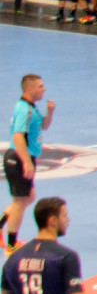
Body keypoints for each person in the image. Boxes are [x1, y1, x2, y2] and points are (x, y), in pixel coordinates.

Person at [6, 76, 54, 252]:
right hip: (19, 158)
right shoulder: (24, 109)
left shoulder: (31, 108)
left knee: (28, 197)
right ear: (30, 89)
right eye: (41, 86)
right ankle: (11, 245)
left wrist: (50, 112)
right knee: (20, 201)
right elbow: (17, 136)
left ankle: (3, 223)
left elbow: (44, 126)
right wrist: (26, 162)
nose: (44, 89)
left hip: (24, 157)